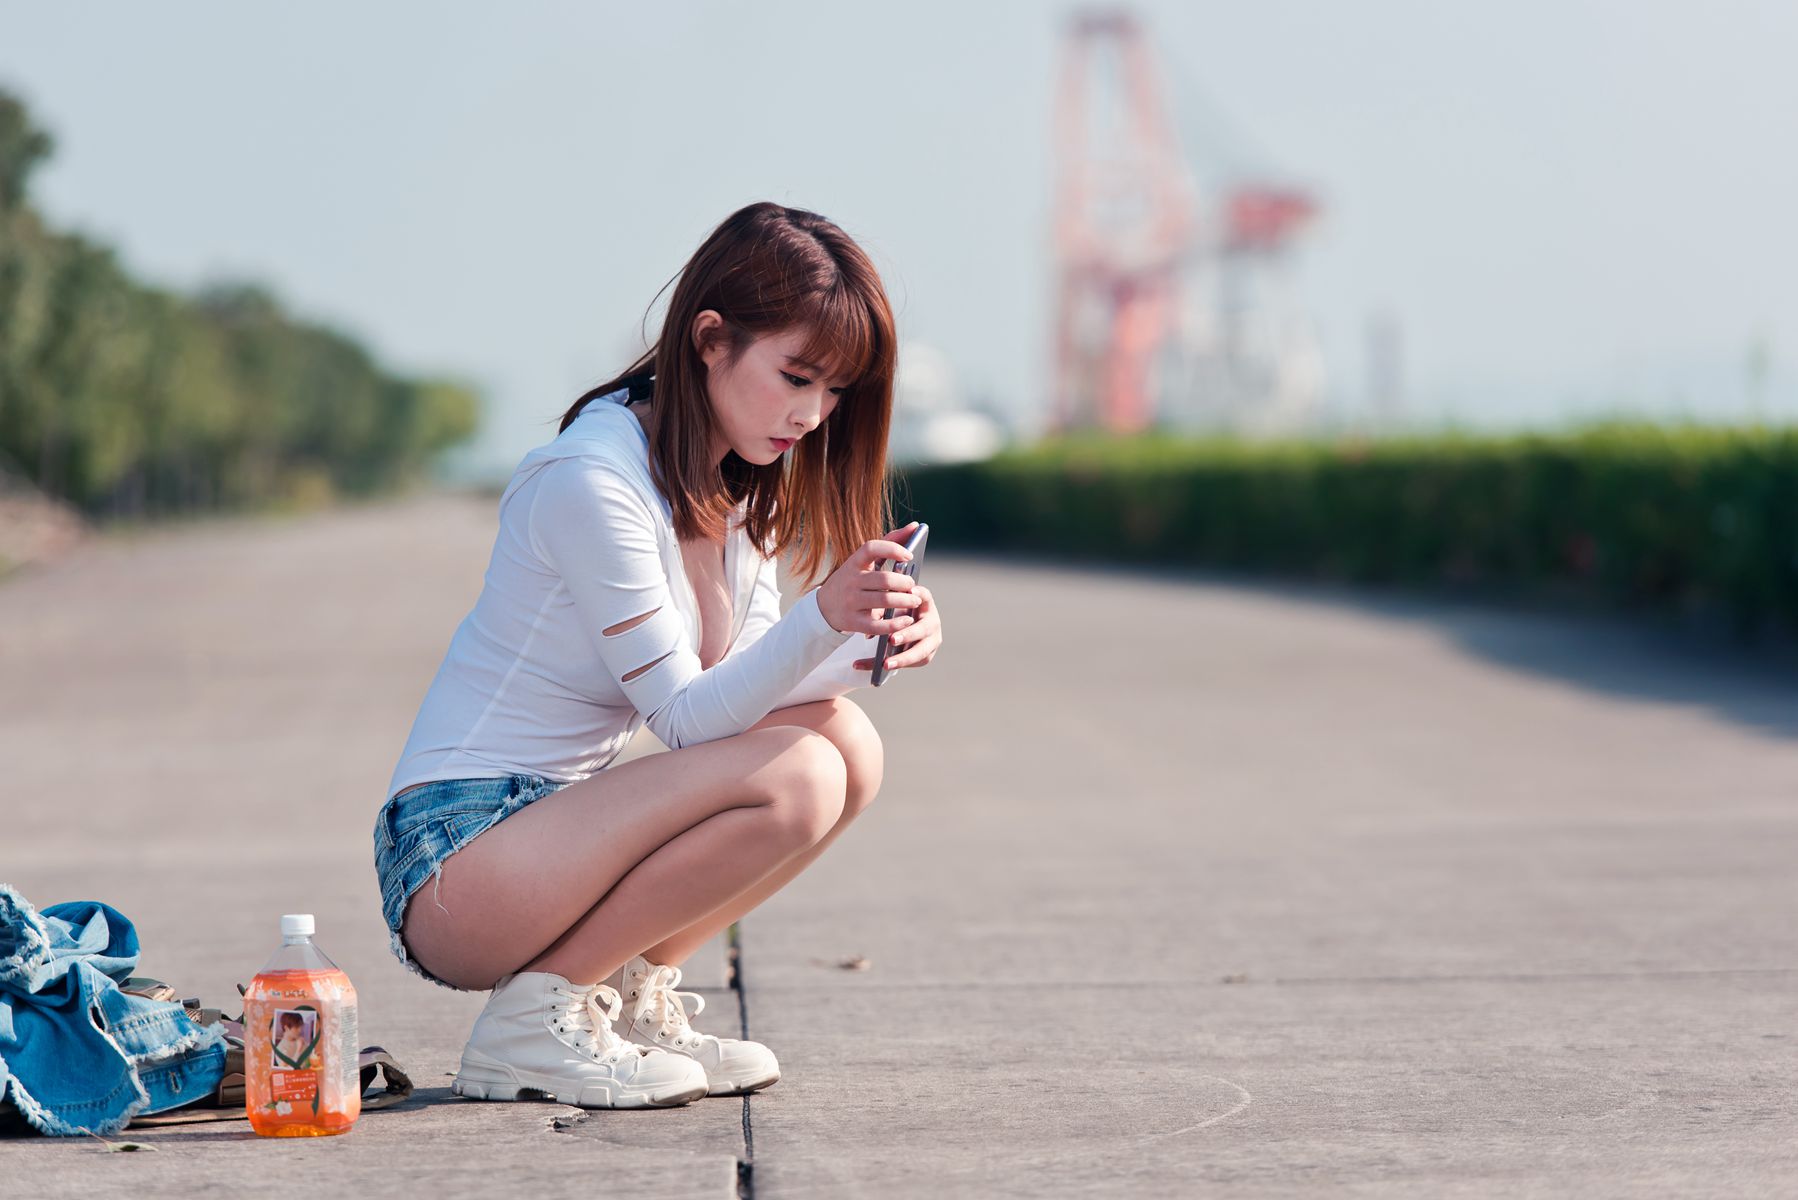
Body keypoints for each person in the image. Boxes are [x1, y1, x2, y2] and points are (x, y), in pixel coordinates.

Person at [372, 202, 943, 1111]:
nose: (812, 412)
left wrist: (872, 636)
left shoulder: (729, 495)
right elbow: (687, 720)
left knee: (848, 747)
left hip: (558, 835)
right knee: (798, 775)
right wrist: (823, 617)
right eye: (796, 375)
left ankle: (622, 1000)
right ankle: (538, 1019)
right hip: (457, 853)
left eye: (834, 392)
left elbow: (744, 696)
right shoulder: (592, 479)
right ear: (710, 340)